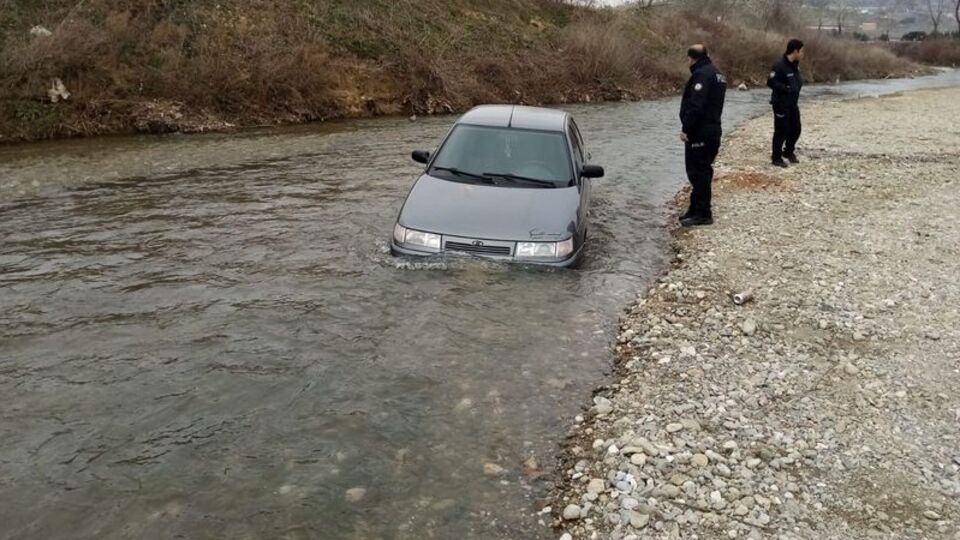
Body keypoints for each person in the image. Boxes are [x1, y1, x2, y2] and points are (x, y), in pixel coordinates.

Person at [679, 44, 727, 227]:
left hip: (700, 132)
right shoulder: (718, 74)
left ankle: (703, 213)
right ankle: (695, 208)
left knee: (698, 172)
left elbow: (696, 106)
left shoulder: (701, 75)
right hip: (713, 130)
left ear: (692, 58)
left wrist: (686, 129)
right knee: (701, 170)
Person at [768, 39, 805, 168]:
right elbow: (771, 82)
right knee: (781, 130)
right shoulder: (779, 65)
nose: (803, 54)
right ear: (795, 51)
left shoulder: (795, 65)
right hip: (780, 103)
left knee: (796, 129)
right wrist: (786, 89)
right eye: (802, 51)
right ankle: (776, 157)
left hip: (793, 103)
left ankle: (788, 152)